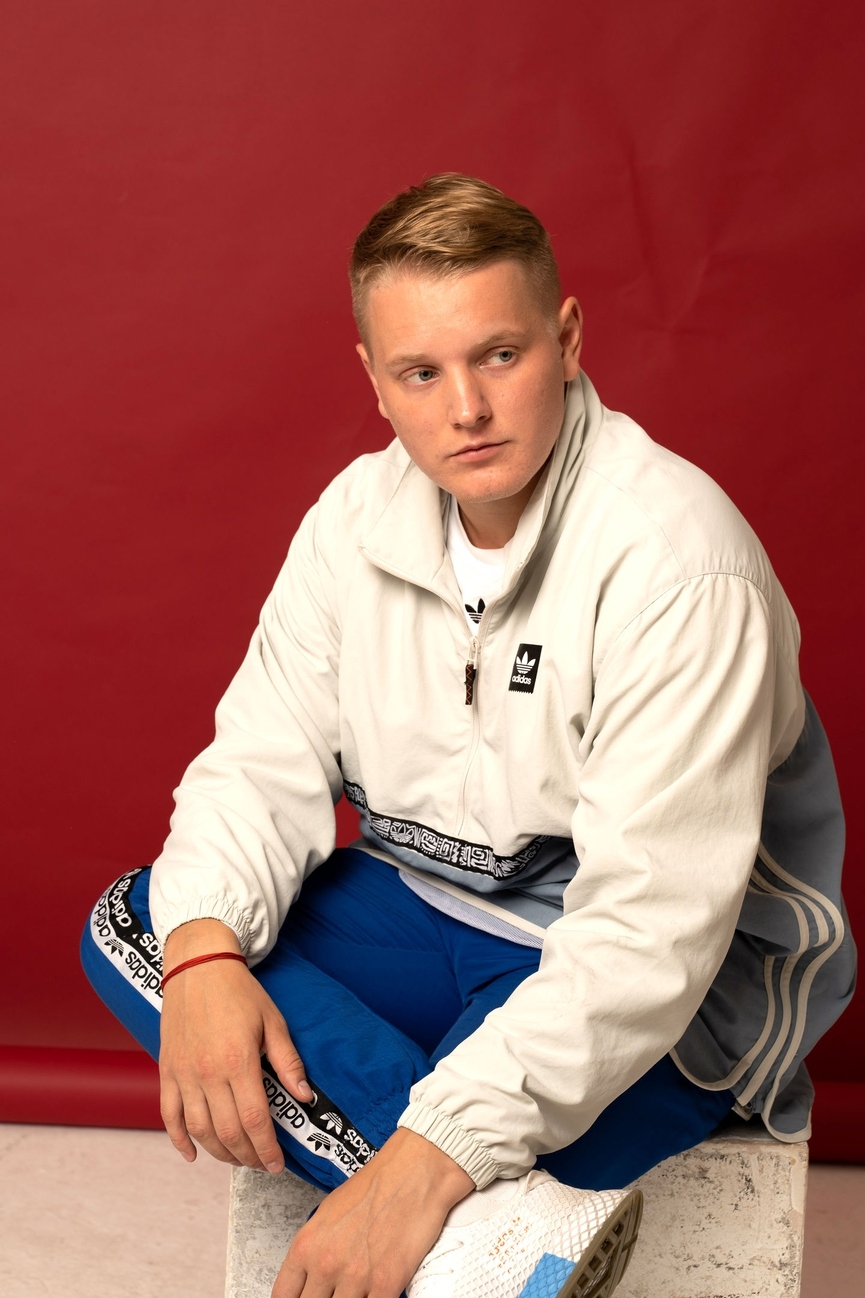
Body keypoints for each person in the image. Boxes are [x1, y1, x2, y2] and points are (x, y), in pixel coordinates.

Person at [82, 174, 855, 1298]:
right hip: (433, 911)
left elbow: (647, 937)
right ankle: (496, 1241)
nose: (466, 409)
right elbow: (256, 763)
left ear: (567, 340)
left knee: (462, 1113)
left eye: (499, 355)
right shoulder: (353, 522)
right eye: (420, 372)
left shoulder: (678, 563)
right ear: (374, 380)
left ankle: (450, 1208)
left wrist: (423, 1160)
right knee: (146, 928)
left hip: (665, 991)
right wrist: (201, 956)